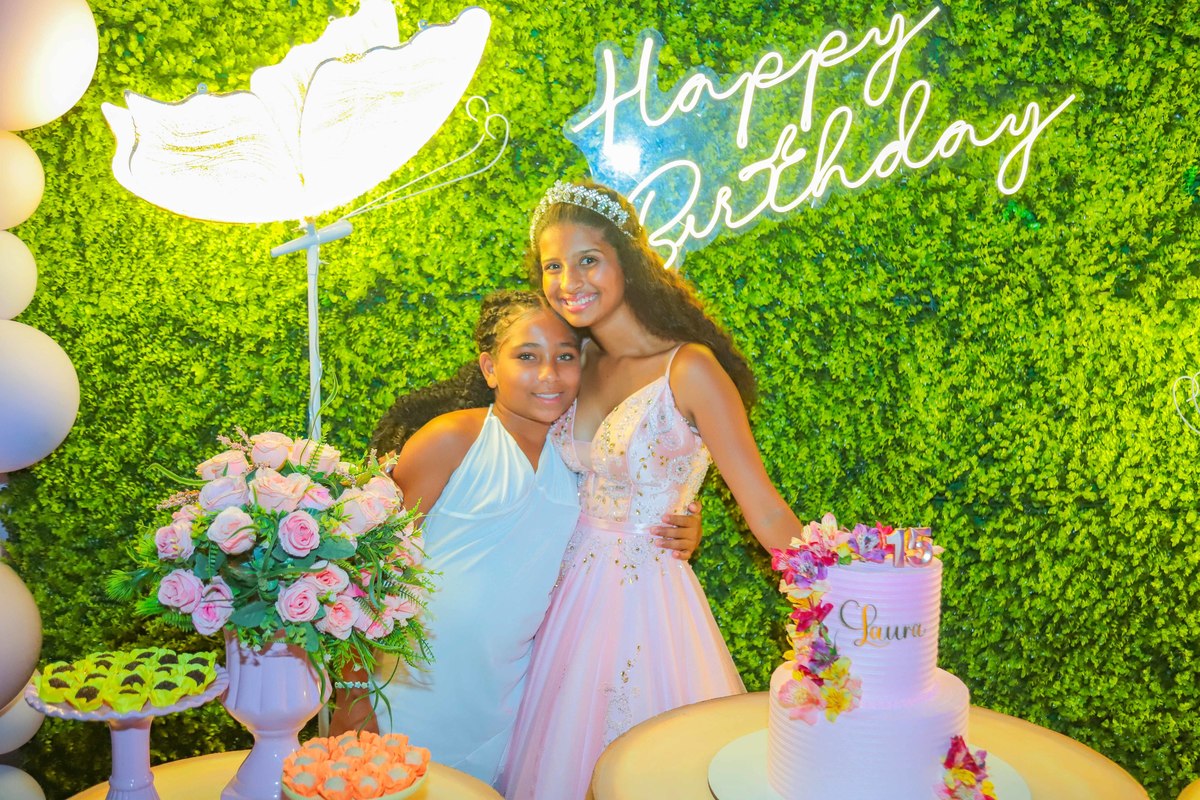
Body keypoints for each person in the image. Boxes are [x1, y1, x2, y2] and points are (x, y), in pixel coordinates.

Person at [499, 181, 808, 799]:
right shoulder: (574, 360)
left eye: (588, 260)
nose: (569, 281)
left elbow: (764, 505)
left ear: (628, 261)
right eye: (553, 266)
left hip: (649, 603)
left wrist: (840, 598)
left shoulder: (688, 369)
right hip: (561, 603)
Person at [329, 290, 702, 788]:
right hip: (408, 688)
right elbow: (363, 572)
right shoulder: (452, 439)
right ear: (490, 367)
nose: (548, 375)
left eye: (565, 357)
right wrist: (352, 696)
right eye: (527, 356)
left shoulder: (579, 462)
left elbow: (627, 509)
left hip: (510, 704)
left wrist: (684, 522)